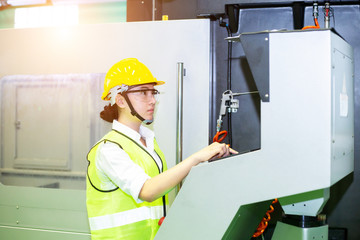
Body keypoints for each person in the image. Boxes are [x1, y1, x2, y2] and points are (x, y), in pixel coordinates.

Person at [86, 58, 237, 240]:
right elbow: (147, 191)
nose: (152, 101)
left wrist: (206, 162)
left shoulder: (148, 141)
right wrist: (196, 157)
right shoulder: (109, 149)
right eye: (143, 92)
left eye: (153, 92)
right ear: (120, 100)